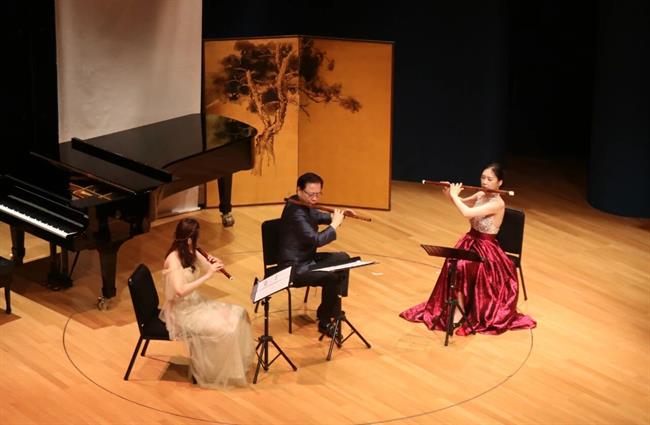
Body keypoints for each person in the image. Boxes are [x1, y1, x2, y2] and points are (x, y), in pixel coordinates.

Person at [400, 163, 536, 335]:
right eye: (483, 178)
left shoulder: (497, 204)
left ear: (500, 182)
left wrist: (455, 196)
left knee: (463, 266)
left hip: (487, 249)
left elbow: (466, 213)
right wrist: (450, 194)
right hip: (470, 240)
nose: (485, 182)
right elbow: (462, 204)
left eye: (490, 179)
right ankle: (459, 307)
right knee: (454, 261)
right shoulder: (480, 194)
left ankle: (461, 310)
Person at [159, 218, 254, 389]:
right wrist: (207, 275)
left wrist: (216, 263)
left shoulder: (191, 251)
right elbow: (180, 291)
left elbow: (208, 265)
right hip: (181, 312)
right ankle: (212, 372)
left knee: (239, 314)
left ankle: (231, 367)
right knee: (225, 329)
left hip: (195, 303)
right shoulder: (173, 260)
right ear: (189, 239)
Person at [278, 172, 350, 338]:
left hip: (306, 259)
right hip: (294, 268)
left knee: (343, 259)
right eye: (311, 194)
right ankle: (325, 320)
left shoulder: (301, 202)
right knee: (332, 279)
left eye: (318, 194)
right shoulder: (296, 213)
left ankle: (333, 305)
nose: (315, 198)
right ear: (299, 190)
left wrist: (340, 215)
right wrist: (334, 225)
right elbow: (316, 240)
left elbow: (318, 216)